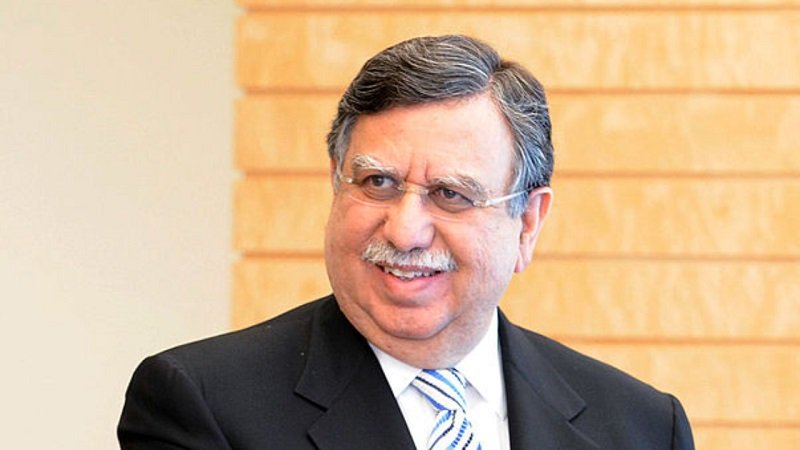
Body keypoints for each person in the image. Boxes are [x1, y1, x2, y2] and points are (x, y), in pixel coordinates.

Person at [118, 35, 694, 449]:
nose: (404, 231)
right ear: (335, 183)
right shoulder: (202, 404)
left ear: (527, 223)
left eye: (450, 194)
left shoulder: (641, 427)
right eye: (378, 183)